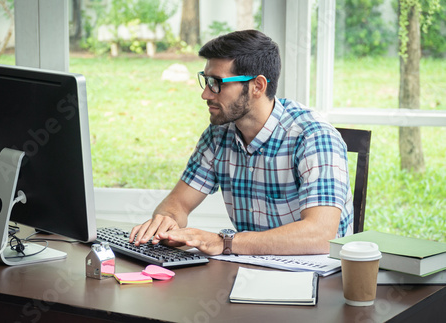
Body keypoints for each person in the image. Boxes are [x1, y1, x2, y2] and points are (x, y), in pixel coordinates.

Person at [129, 29, 352, 256]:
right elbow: (178, 203)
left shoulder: (314, 137)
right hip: (250, 269)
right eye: (206, 81)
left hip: (316, 278)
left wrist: (223, 242)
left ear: (257, 86)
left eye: (216, 83)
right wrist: (167, 222)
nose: (205, 94)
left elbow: (322, 235)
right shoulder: (218, 134)